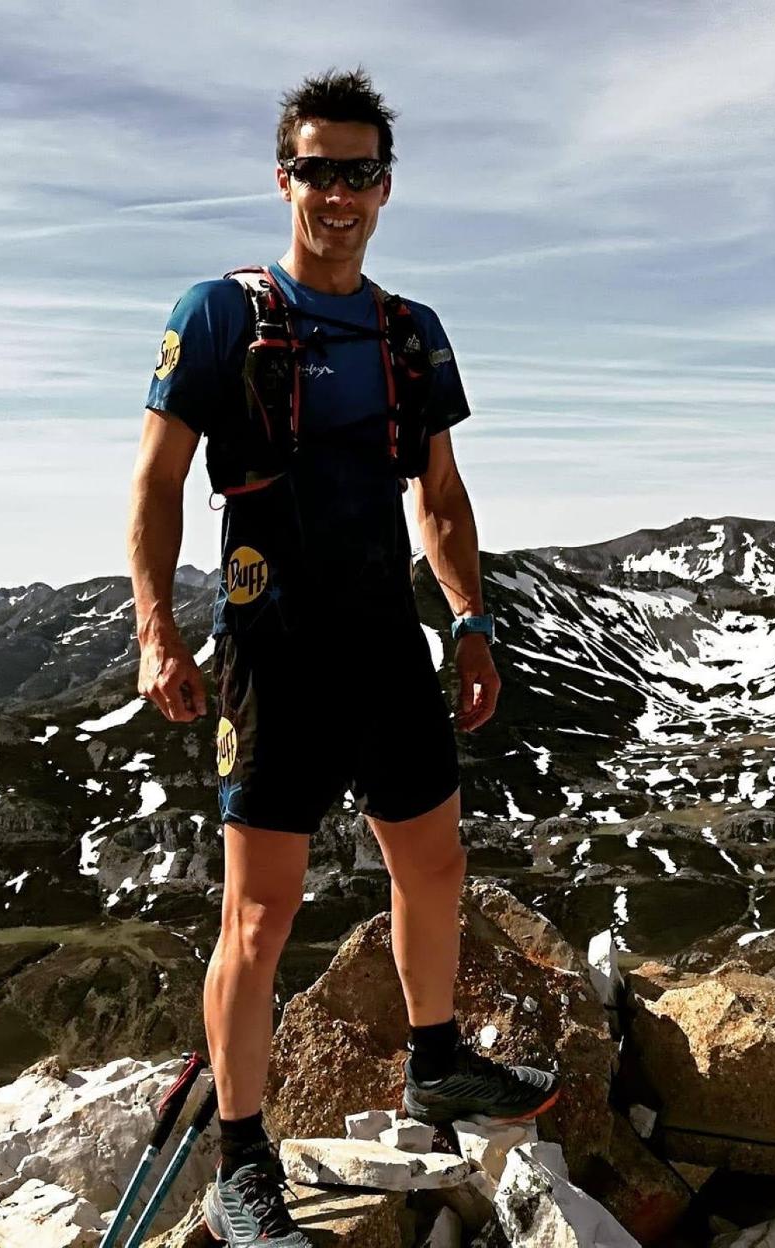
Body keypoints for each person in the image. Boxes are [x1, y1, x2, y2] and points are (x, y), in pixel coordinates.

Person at [127, 68, 559, 1248]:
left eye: (359, 172)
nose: (338, 192)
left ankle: (434, 1063)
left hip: (385, 646)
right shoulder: (218, 312)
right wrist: (156, 627)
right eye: (317, 169)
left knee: (433, 864)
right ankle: (240, 1159)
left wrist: (468, 618)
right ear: (285, 178)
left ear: (385, 187)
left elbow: (445, 496)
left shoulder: (411, 335)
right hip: (271, 652)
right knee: (258, 920)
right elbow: (159, 484)